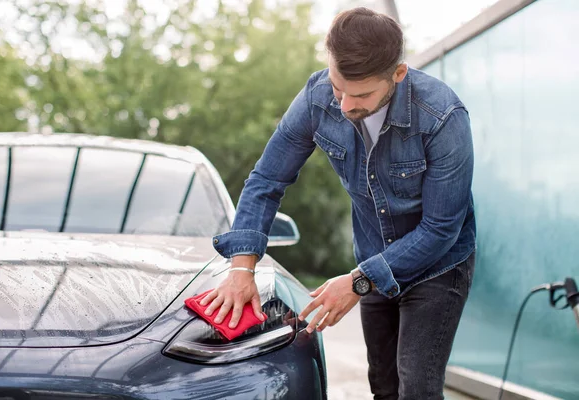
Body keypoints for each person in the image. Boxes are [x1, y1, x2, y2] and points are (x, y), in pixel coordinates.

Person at [199, 7, 476, 400]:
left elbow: (440, 229)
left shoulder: (443, 117)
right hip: (373, 255)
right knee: (383, 385)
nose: (344, 106)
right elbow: (266, 180)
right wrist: (241, 267)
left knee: (416, 385)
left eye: (361, 94)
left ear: (398, 75)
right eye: (337, 87)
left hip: (439, 264)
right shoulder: (316, 98)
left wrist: (359, 281)